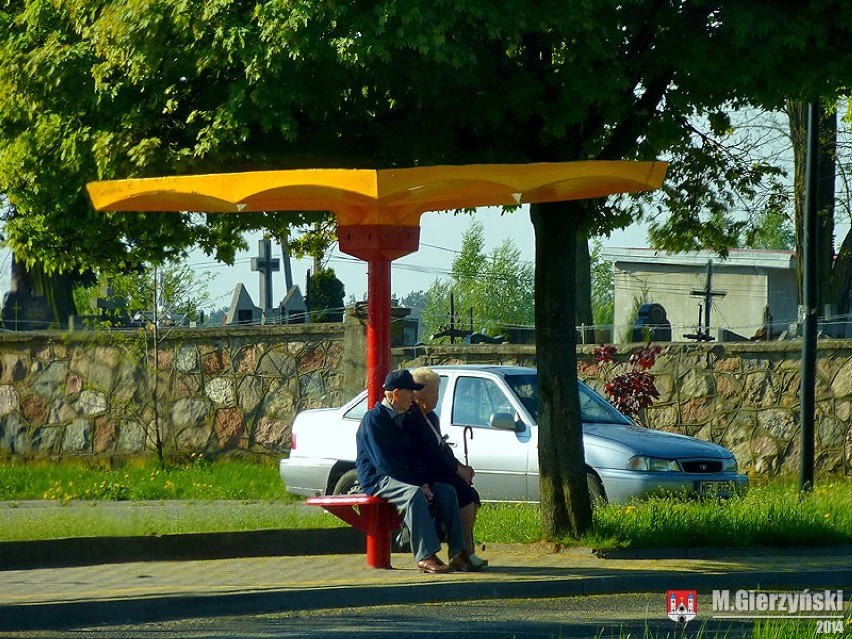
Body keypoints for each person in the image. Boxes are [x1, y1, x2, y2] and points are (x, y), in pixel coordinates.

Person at [355, 369, 472, 573]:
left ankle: (457, 554)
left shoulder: (406, 419)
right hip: (379, 479)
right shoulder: (374, 420)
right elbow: (386, 464)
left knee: (446, 492)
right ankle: (425, 556)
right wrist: (418, 485)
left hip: (405, 476)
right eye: (411, 392)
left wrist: (424, 482)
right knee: (414, 495)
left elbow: (414, 458)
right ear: (397, 393)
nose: (414, 397)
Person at [409, 367, 488, 570]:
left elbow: (442, 448)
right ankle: (462, 553)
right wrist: (456, 470)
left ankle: (465, 553)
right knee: (462, 493)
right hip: (424, 474)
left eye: (437, 391)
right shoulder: (413, 418)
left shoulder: (431, 417)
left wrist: (461, 467)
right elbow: (430, 454)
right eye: (432, 391)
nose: (436, 396)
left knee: (470, 493)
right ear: (417, 393)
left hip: (438, 469)